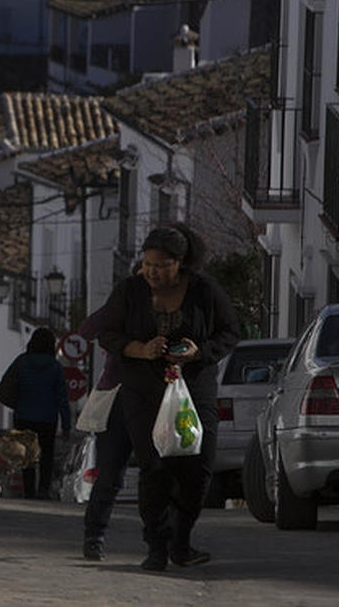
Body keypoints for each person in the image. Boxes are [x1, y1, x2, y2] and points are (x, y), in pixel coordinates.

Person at [95, 224, 239, 571]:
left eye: (161, 265)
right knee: (154, 468)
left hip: (194, 392)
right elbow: (106, 333)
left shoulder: (204, 291)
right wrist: (140, 349)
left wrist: (198, 351)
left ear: (181, 264)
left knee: (199, 465)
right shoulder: (129, 291)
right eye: (147, 264)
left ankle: (181, 539)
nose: (152, 272)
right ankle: (156, 547)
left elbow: (231, 331)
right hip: (143, 392)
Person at [78, 300, 130, 561]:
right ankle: (94, 536)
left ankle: (161, 540)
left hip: (155, 397)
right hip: (117, 396)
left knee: (158, 473)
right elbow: (87, 329)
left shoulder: (173, 306)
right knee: (110, 473)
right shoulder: (123, 304)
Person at [9, 326, 71, 499]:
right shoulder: (56, 368)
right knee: (47, 455)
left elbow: (10, 386)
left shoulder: (21, 363)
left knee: (27, 455)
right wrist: (66, 425)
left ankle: (29, 490)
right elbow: (62, 399)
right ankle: (43, 489)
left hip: (23, 417)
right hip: (47, 419)